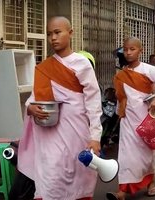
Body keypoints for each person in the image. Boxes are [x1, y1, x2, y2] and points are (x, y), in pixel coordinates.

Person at [17, 16, 103, 200]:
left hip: (76, 131)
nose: (53, 38)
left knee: (77, 174)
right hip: (48, 135)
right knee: (51, 175)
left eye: (57, 32)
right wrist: (30, 109)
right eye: (49, 34)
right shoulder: (44, 68)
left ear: (70, 33)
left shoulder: (81, 63)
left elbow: (94, 101)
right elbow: (33, 98)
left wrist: (95, 136)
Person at [107, 37, 155, 200]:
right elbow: (121, 98)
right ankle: (122, 191)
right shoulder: (121, 74)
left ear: (140, 50)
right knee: (126, 156)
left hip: (145, 120)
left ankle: (150, 182)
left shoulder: (148, 69)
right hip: (127, 121)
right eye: (126, 49)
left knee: (146, 155)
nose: (128, 52)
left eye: (132, 49)